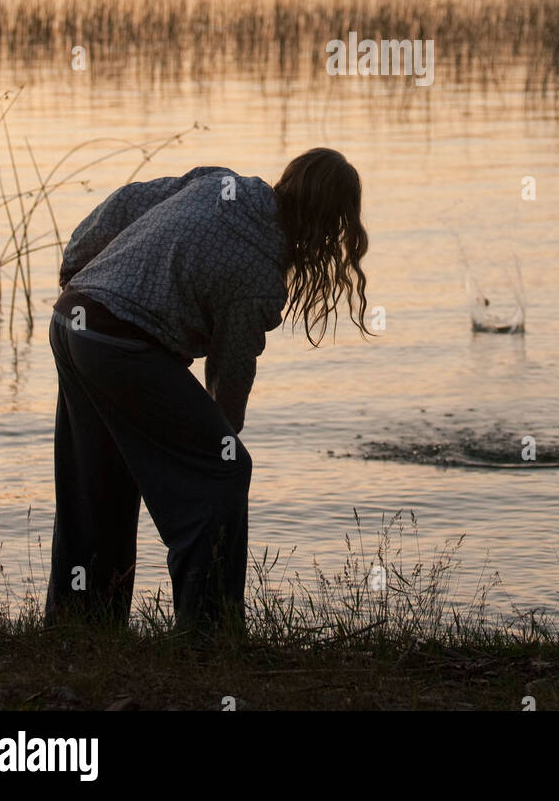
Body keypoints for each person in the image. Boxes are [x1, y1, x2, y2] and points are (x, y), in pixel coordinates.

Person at [44, 147, 368, 636]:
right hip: (120, 344)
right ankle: (208, 632)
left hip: (73, 319)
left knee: (98, 483)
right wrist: (222, 434)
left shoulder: (219, 182)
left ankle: (80, 628)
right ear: (331, 223)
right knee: (225, 470)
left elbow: (126, 201)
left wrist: (75, 267)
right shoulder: (259, 273)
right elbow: (231, 371)